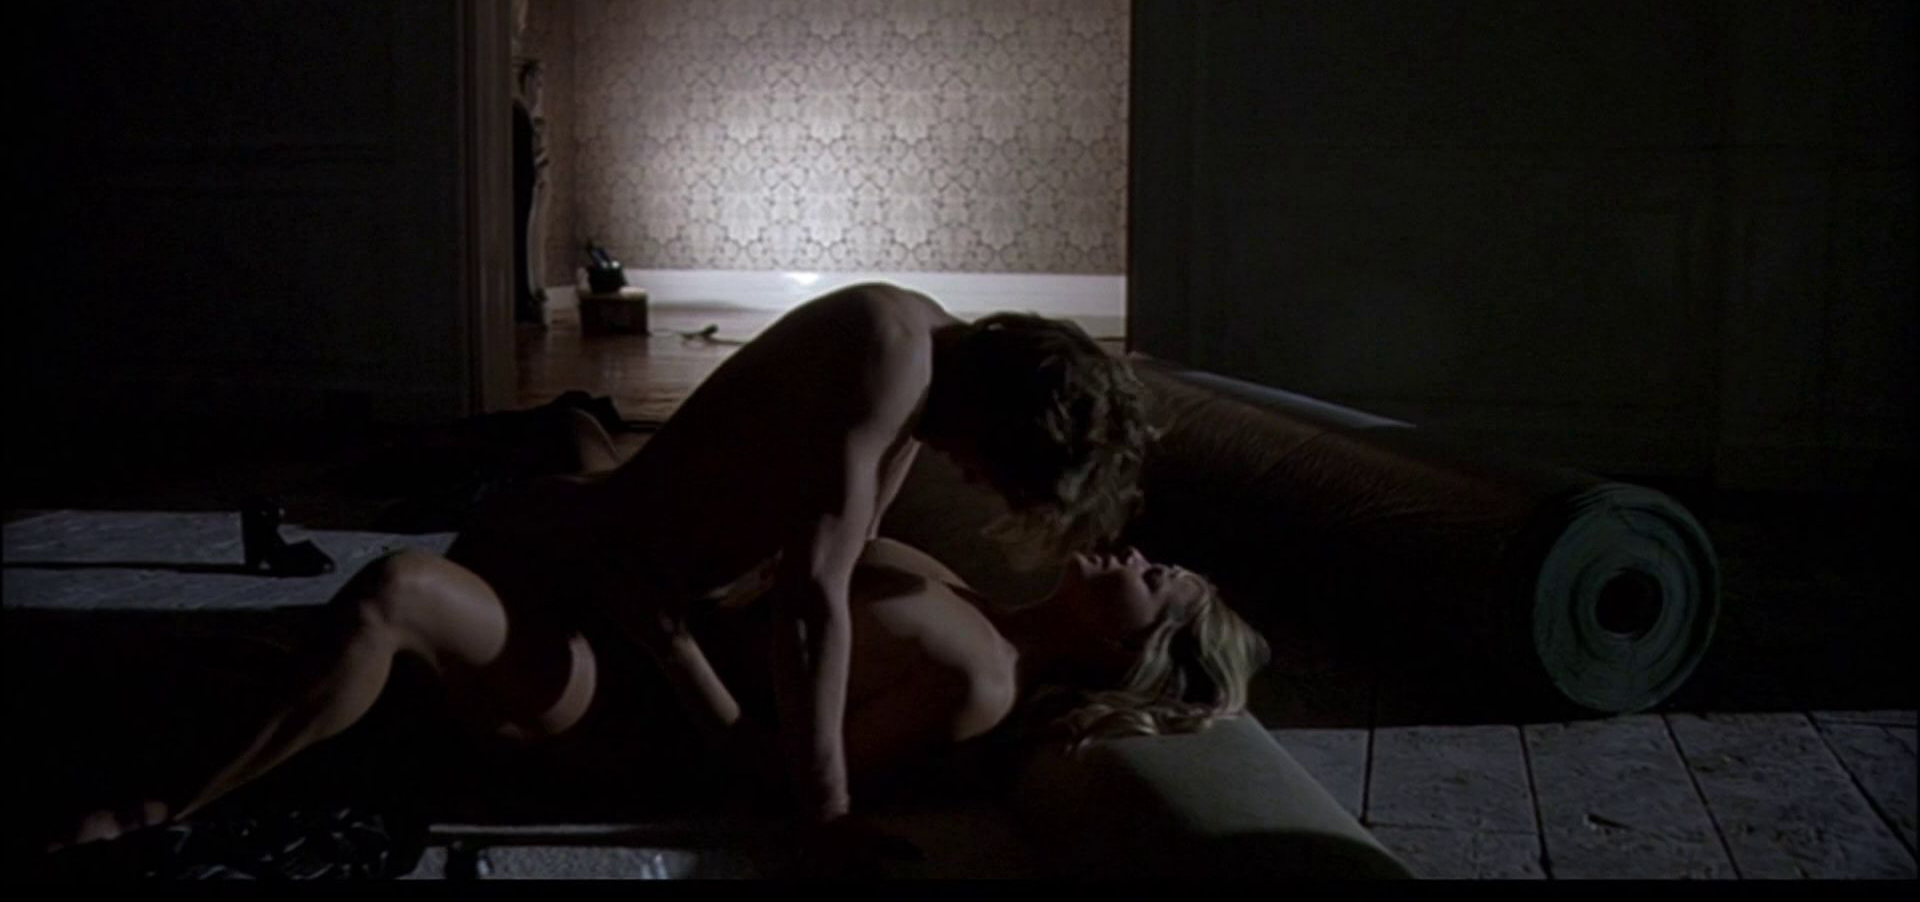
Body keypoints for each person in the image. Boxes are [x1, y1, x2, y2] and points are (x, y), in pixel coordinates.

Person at [61, 282, 1163, 856]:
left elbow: (797, 605)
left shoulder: (916, 368)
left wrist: (685, 652)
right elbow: (811, 598)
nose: (973, 480)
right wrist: (823, 814)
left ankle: (155, 801)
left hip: (616, 659)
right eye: (994, 465)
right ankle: (183, 777)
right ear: (999, 410)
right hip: (599, 601)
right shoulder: (893, 351)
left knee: (393, 595)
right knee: (545, 466)